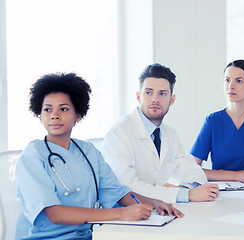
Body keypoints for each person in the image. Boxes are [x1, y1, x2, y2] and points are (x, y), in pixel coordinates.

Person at [16, 73, 183, 240]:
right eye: (47, 109)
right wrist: (121, 214)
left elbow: (117, 193)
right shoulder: (32, 156)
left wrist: (156, 203)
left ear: (78, 115)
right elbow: (55, 214)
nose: (54, 115)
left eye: (64, 109)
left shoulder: (88, 151)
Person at [102, 63, 219, 204]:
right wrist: (184, 194)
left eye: (162, 93)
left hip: (156, 211)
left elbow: (192, 171)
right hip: (124, 213)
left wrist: (185, 189)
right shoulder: (119, 133)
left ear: (172, 99)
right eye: (148, 92)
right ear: (139, 97)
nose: (155, 99)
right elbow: (127, 186)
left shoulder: (170, 134)